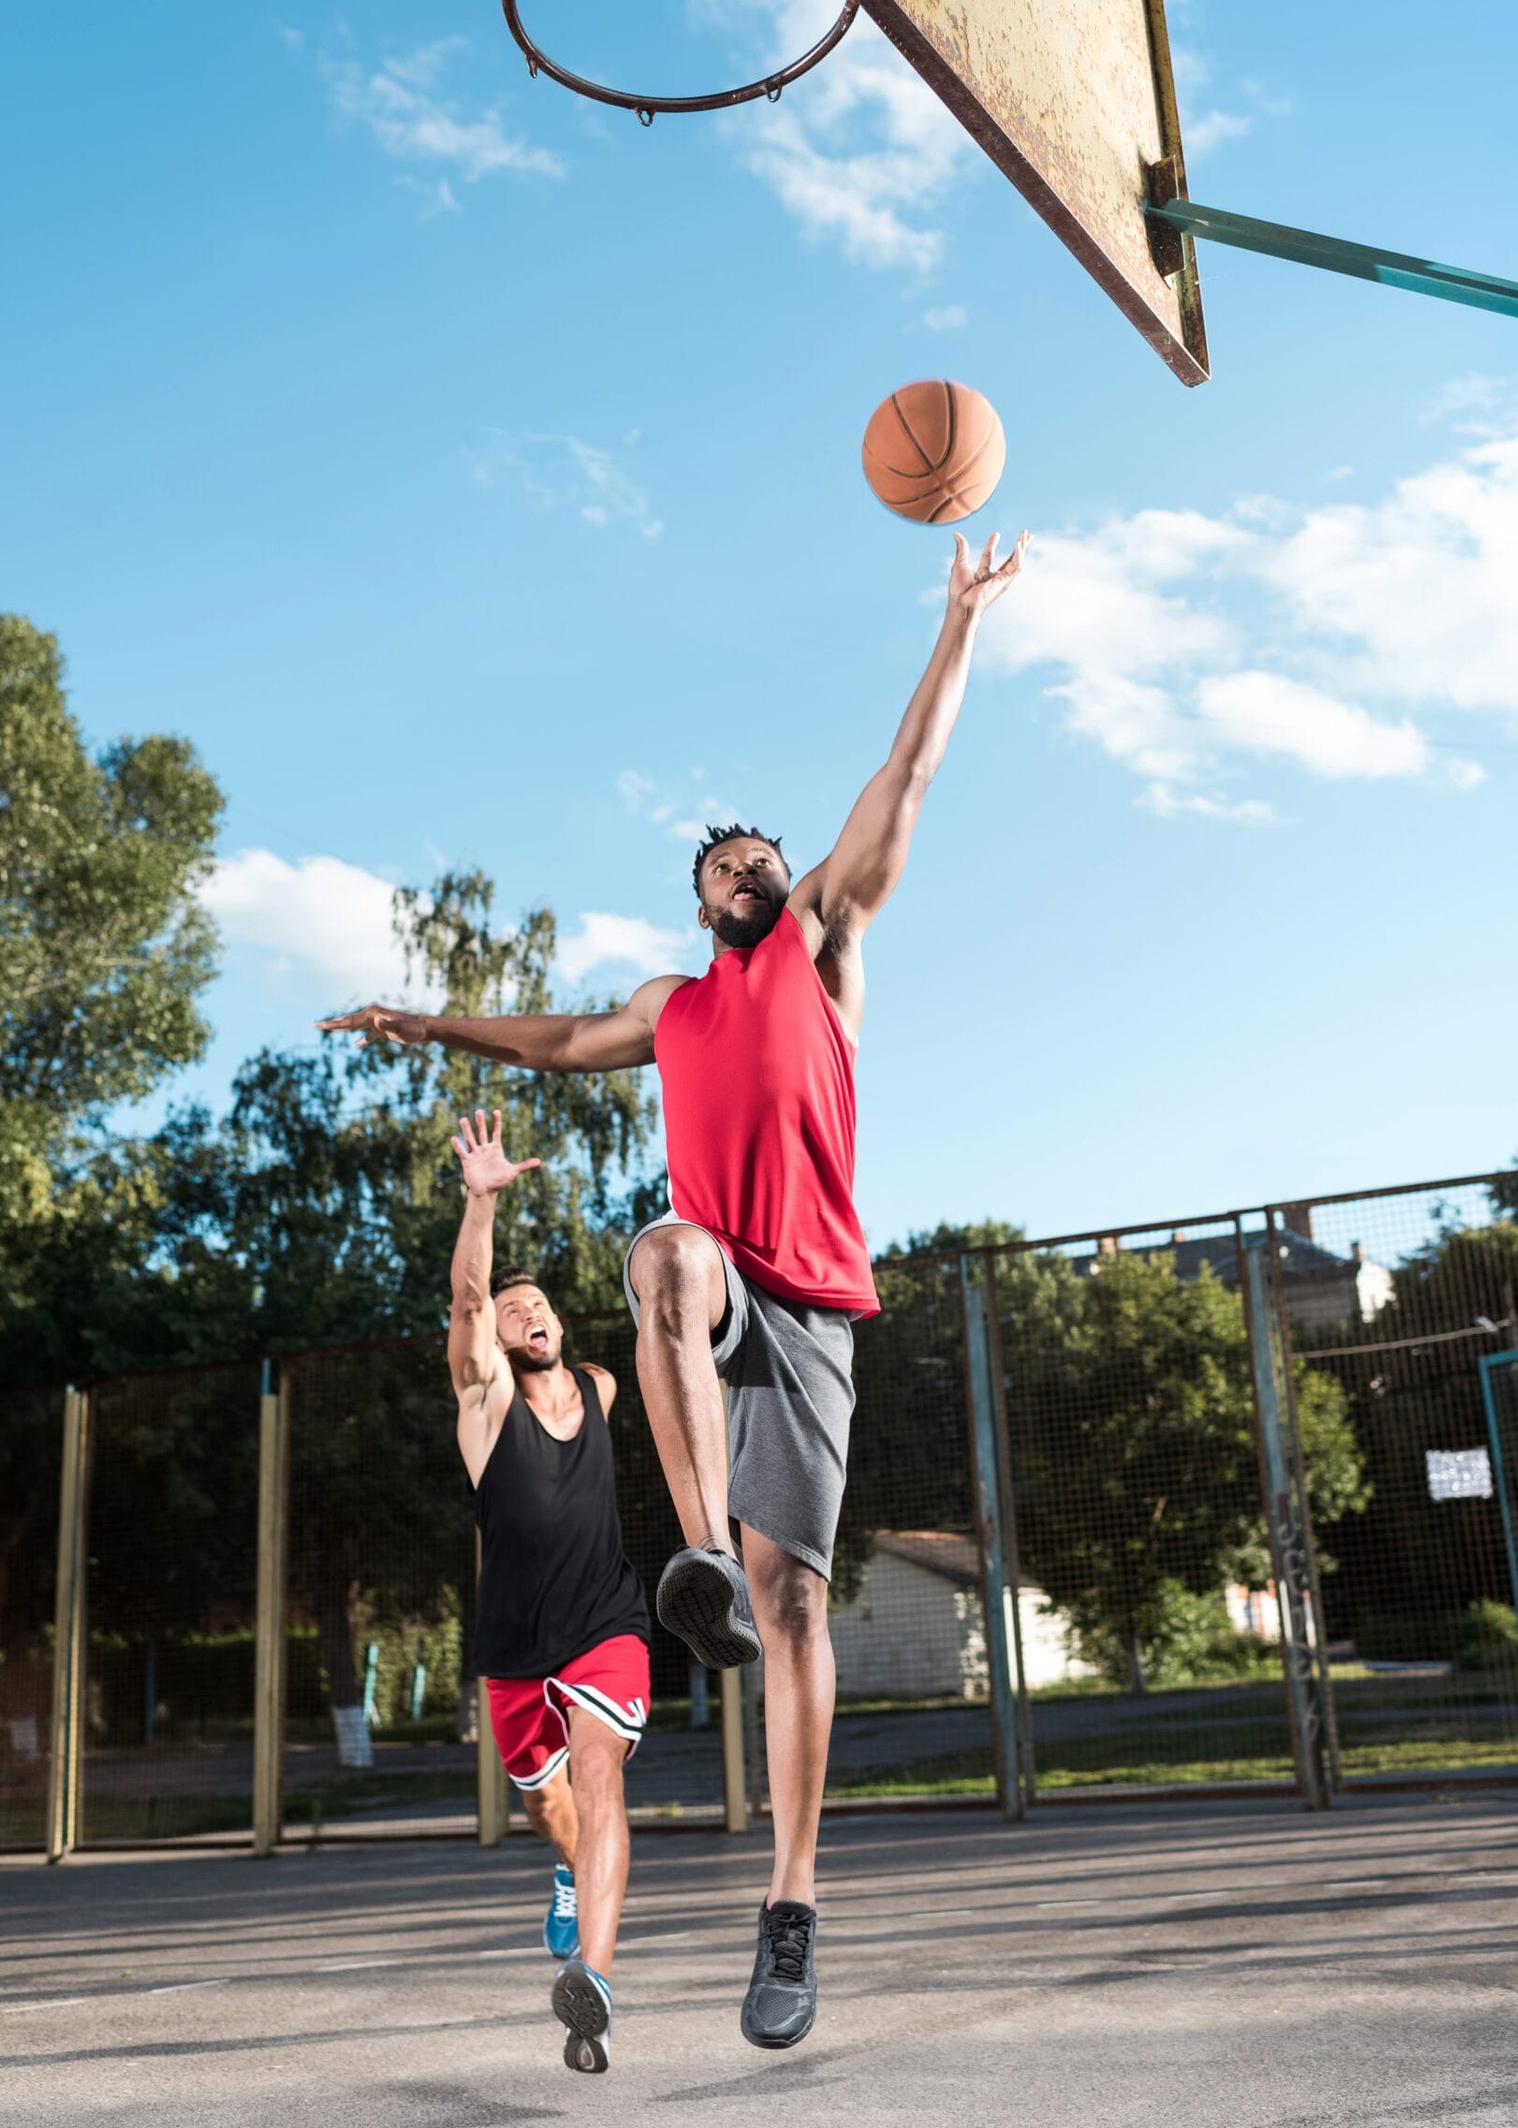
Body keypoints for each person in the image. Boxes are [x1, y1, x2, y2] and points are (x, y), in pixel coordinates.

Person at [323, 527, 1029, 2050]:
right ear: (697, 901)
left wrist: (956, 620)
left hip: (819, 1304)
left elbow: (901, 781)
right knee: (657, 1252)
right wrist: (427, 1023)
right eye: (718, 867)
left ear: (789, 881)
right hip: (716, 1287)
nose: (742, 872)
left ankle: (791, 1910)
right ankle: (696, 1547)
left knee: (799, 1608)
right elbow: (567, 1040)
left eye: (758, 859)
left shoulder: (824, 946)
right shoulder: (678, 1005)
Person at [447, 1106, 650, 2077]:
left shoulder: (605, 1388)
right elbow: (464, 1307)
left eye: (538, 1307)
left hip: (607, 1625)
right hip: (513, 1645)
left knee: (600, 1773)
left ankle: (594, 1979)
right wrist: (480, 1206)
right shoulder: (485, 1407)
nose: (522, 1315)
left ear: (561, 1325)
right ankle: (567, 1876)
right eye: (507, 1309)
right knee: (546, 1806)